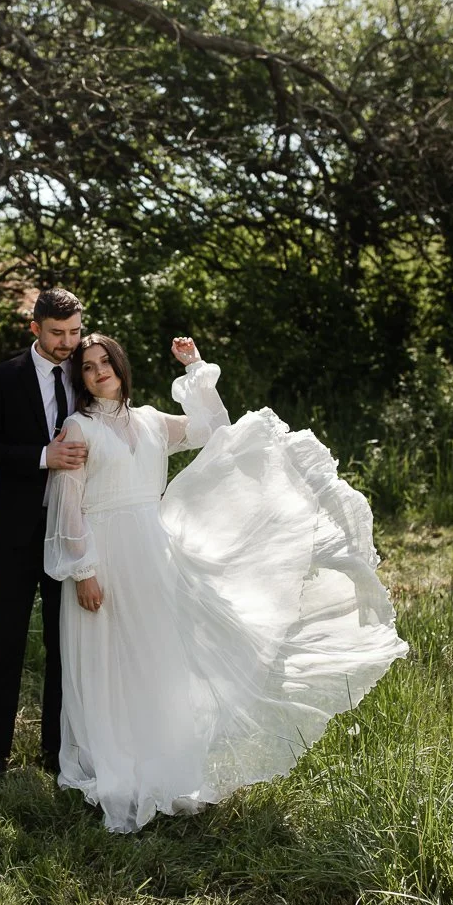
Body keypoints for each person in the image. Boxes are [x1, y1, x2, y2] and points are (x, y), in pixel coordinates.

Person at [44, 333, 409, 832]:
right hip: (104, 557)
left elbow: (213, 429)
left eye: (106, 362)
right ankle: (117, 767)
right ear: (79, 378)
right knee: (111, 658)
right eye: (87, 366)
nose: (99, 371)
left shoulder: (150, 421)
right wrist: (83, 571)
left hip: (153, 552)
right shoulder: (78, 428)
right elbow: (67, 506)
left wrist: (195, 370)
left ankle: (162, 761)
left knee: (156, 657)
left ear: (122, 367)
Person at [0, 288, 87, 780]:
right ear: (34, 328)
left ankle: (56, 755)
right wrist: (42, 457)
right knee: (6, 641)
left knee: (66, 645)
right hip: (16, 530)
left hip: (71, 531)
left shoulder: (86, 370)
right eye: (58, 333)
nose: (67, 342)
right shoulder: (1, 378)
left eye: (74, 332)